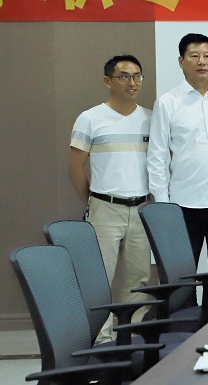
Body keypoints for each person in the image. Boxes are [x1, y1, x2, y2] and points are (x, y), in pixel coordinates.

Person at [147, 33, 208, 296]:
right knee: (181, 277)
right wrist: (164, 206)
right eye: (195, 56)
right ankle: (185, 321)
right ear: (181, 61)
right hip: (183, 206)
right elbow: (157, 156)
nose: (202, 62)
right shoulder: (167, 103)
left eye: (207, 56)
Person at [68, 55, 153, 343]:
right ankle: (102, 341)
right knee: (100, 278)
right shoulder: (90, 118)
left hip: (141, 208)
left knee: (139, 279)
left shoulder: (150, 119)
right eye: (124, 76)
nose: (132, 82)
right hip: (105, 207)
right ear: (108, 81)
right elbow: (75, 167)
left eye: (137, 76)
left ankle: (134, 338)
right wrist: (92, 203)